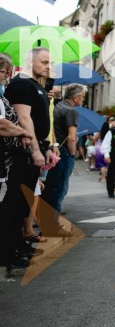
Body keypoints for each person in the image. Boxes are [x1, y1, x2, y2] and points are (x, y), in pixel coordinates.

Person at [2, 48, 58, 271]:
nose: (48, 66)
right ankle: (7, 252)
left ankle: (18, 245)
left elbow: (42, 120)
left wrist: (46, 147)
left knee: (24, 203)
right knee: (15, 204)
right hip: (22, 153)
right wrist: (35, 150)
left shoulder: (37, 86)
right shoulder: (22, 84)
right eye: (43, 62)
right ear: (29, 61)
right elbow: (24, 119)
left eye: (49, 62)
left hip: (36, 149)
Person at [41, 83, 86, 227]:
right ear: (76, 97)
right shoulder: (71, 111)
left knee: (49, 187)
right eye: (83, 97)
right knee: (60, 188)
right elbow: (72, 137)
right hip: (64, 153)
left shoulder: (57, 106)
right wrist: (73, 154)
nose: (83, 99)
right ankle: (50, 223)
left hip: (53, 150)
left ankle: (44, 219)